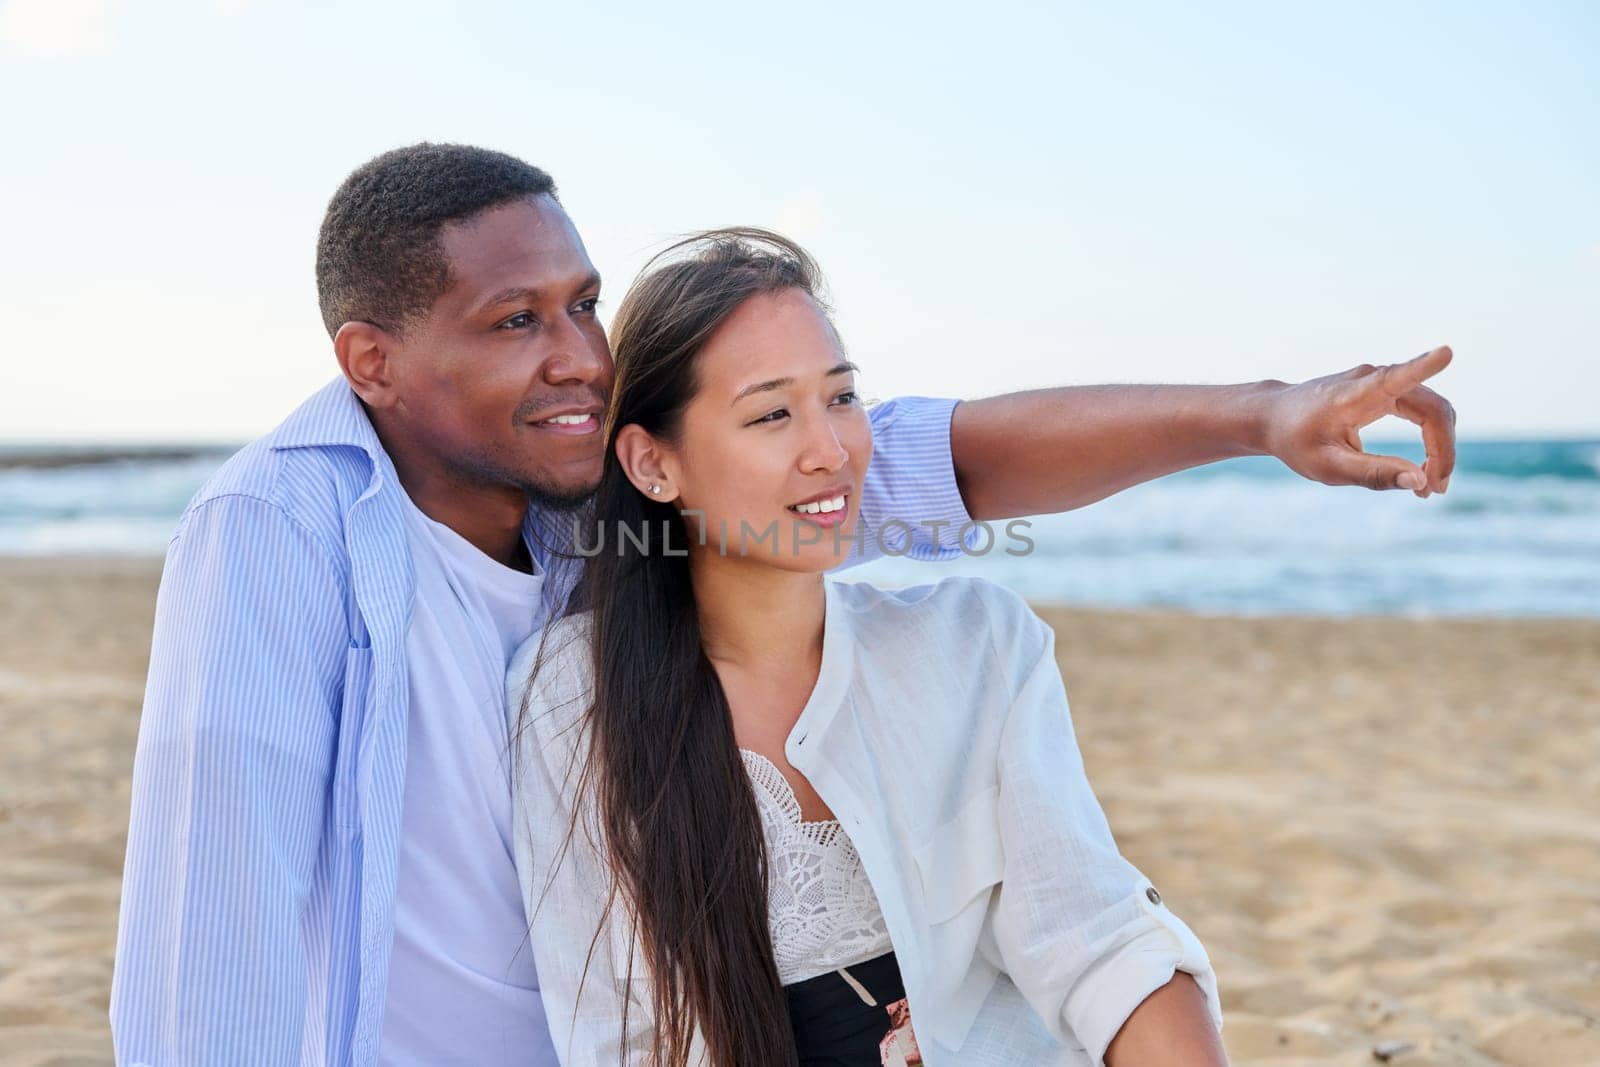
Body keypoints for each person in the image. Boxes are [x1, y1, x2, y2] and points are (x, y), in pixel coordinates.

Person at [109, 142, 1455, 1067]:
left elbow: (935, 457)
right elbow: (204, 947)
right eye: (517, 319)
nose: (580, 351)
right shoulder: (277, 540)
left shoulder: (600, 500)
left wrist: (1265, 413)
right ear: (373, 362)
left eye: (582, 303)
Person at [508, 229, 1228, 1066]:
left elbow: (1098, 939)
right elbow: (622, 1036)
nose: (832, 450)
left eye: (841, 397)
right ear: (652, 462)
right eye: (772, 413)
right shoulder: (573, 697)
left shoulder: (977, 646)